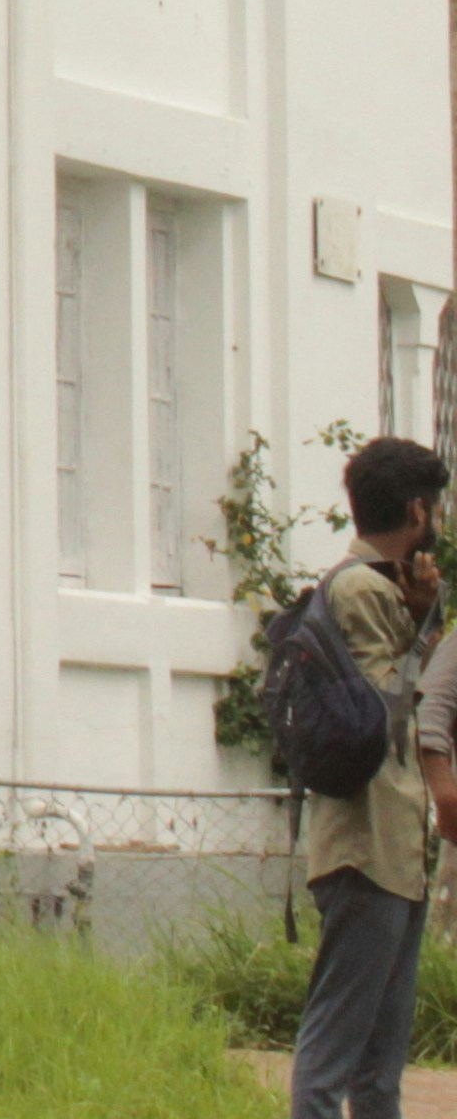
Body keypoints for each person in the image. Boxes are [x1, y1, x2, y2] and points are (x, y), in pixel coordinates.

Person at [302, 433, 448, 1119]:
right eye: (437, 509)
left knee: (382, 1062)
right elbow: (387, 705)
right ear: (417, 510)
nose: (440, 523)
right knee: (336, 1049)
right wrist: (421, 623)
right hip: (366, 846)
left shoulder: (384, 589)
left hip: (394, 847)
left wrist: (423, 616)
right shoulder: (361, 587)